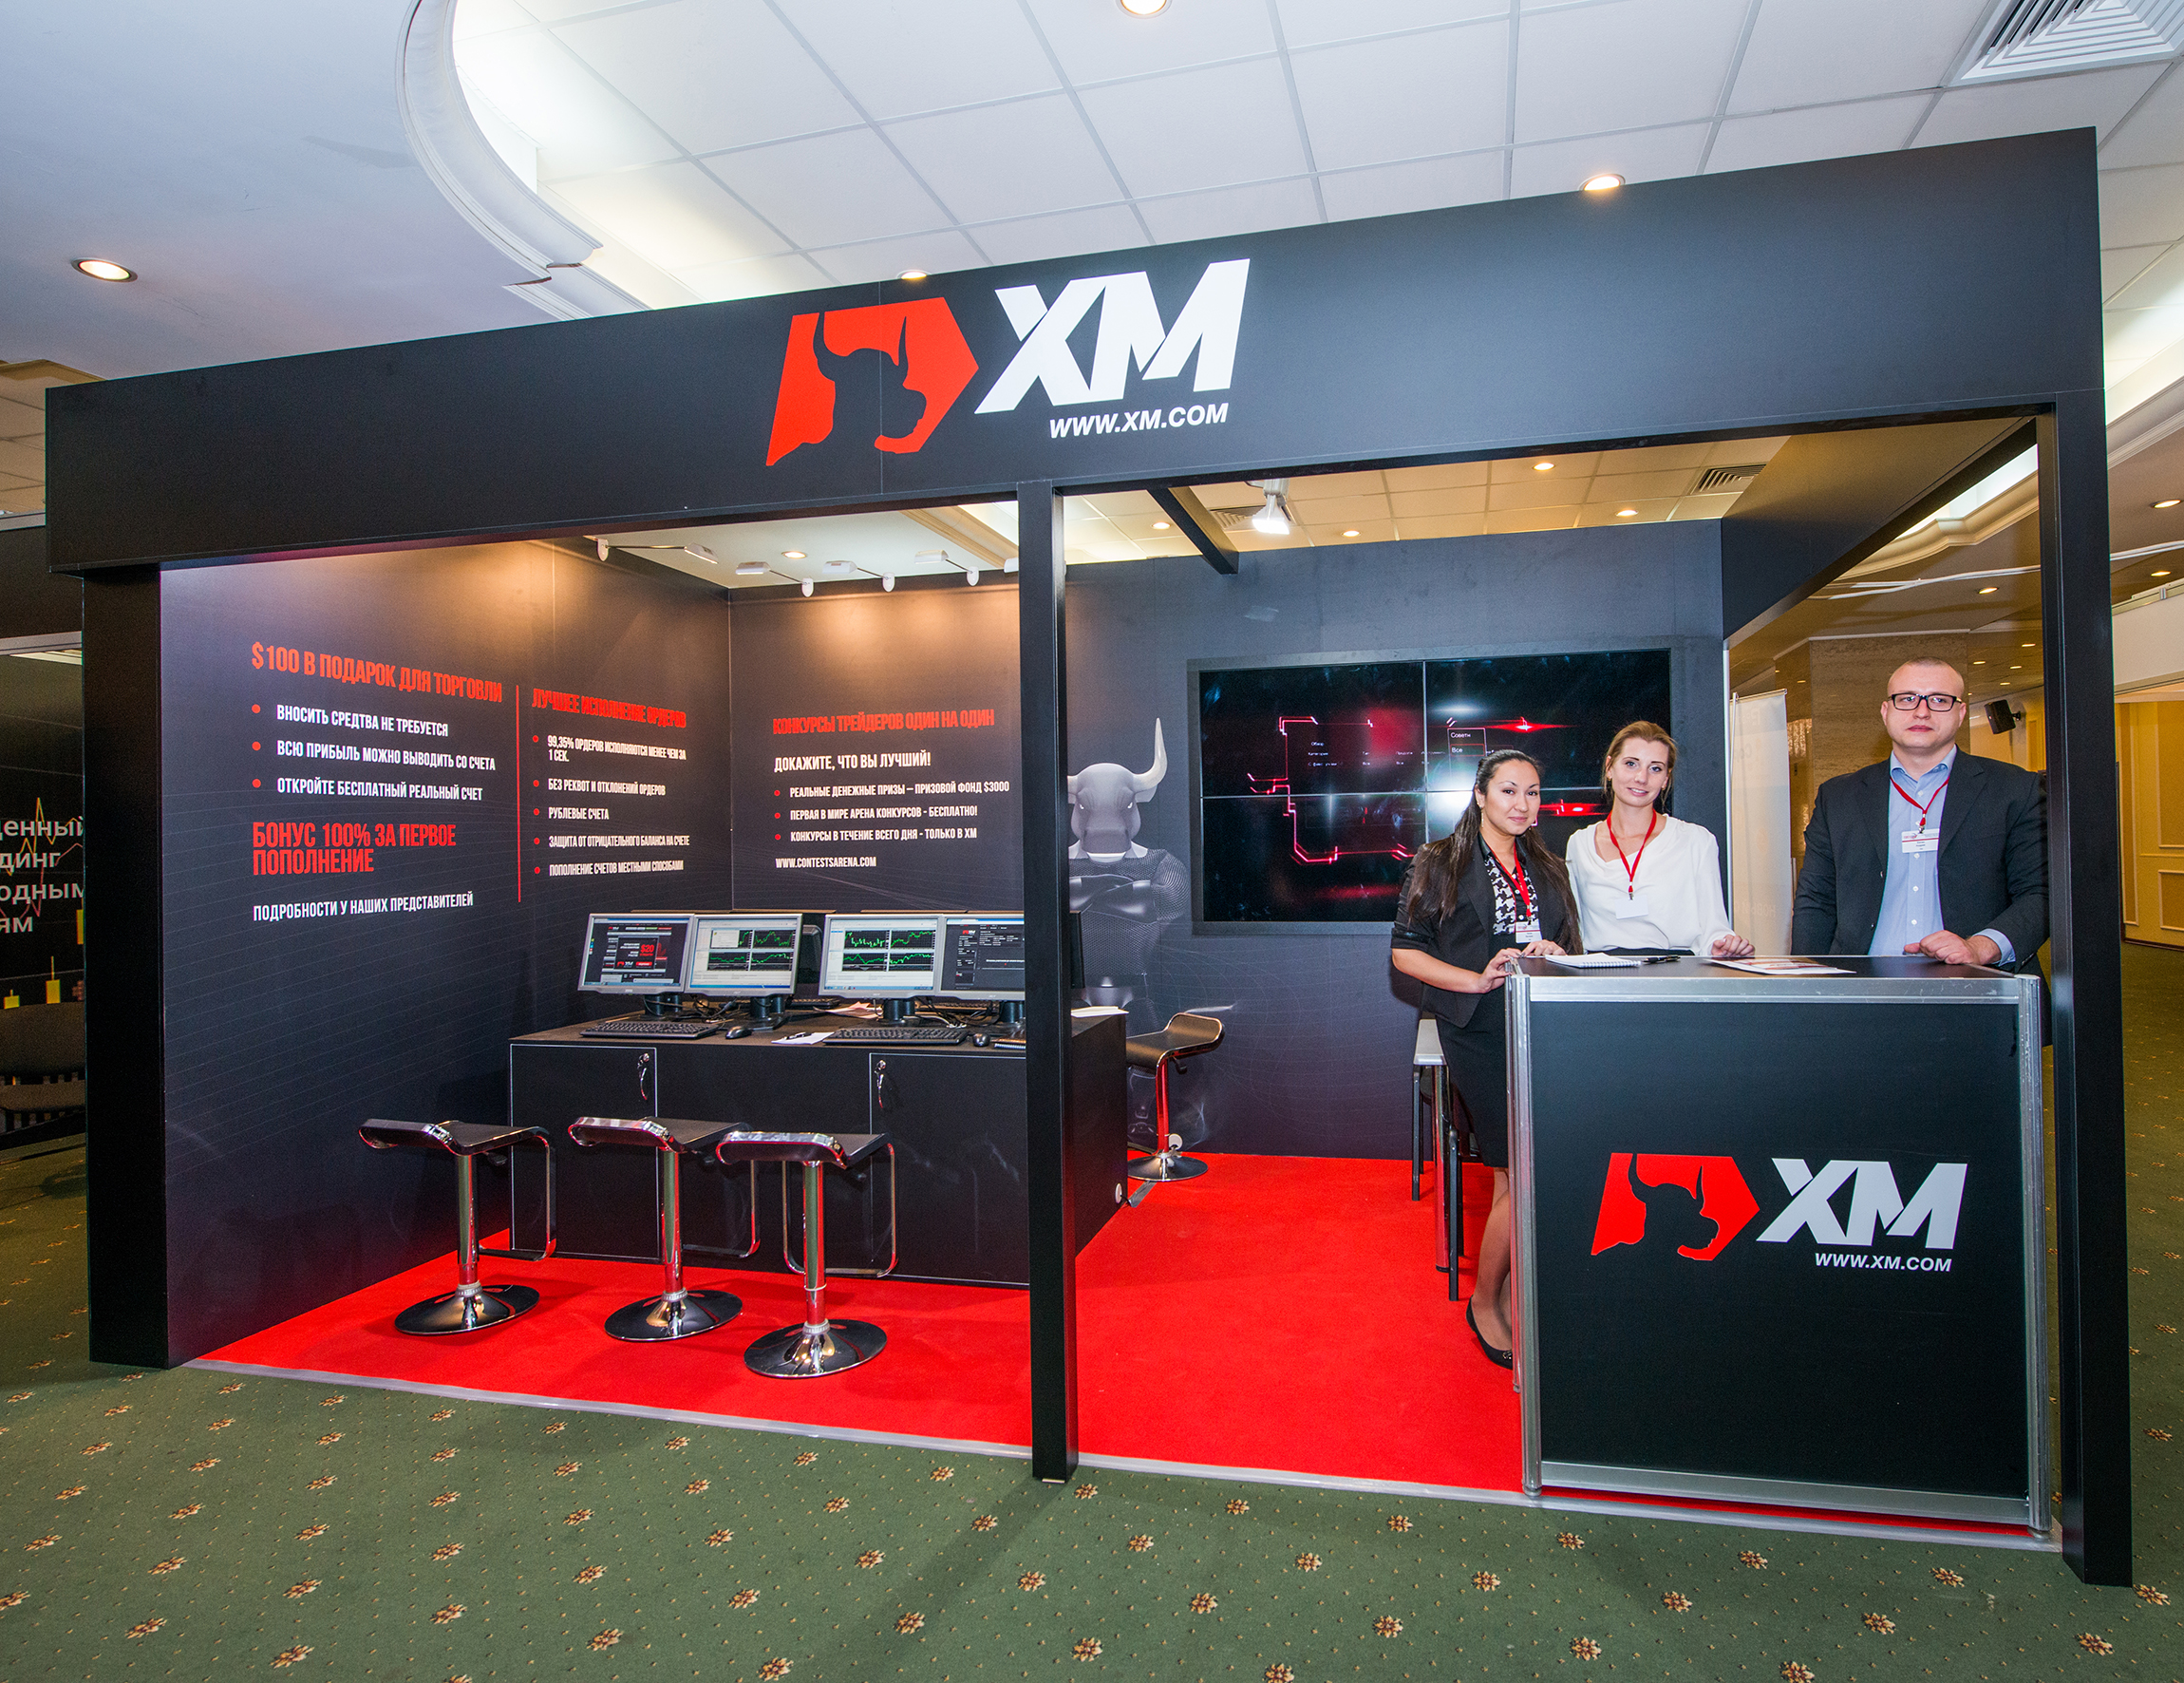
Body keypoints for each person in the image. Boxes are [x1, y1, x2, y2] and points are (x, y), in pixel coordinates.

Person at [1390, 749, 1577, 1371]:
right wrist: (1473, 979)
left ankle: (1511, 1292)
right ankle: (1484, 1300)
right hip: (1478, 1030)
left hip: (1541, 1024)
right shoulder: (1440, 861)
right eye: (1509, 790)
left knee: (1520, 1174)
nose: (1522, 803)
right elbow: (1405, 952)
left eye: (1533, 792)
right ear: (1480, 795)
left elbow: (1570, 943)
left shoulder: (1548, 866)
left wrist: (1553, 953)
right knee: (1517, 1171)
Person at [1791, 656, 2046, 972]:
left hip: (1976, 986)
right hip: (1862, 987)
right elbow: (1816, 901)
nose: (1922, 711)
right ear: (1886, 711)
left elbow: (2041, 892)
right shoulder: (1839, 797)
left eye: (1939, 700)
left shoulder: (2015, 789)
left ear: (1960, 713)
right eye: (1907, 698)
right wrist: (1807, 983)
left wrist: (1980, 947)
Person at [1564, 722, 1754, 958]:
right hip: (1601, 975)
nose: (1641, 778)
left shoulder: (1695, 841)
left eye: (1655, 768)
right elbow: (1575, 931)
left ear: (1666, 779)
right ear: (1610, 767)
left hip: (1676, 973)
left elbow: (1713, 929)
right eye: (1631, 764)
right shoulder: (1580, 844)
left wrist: (1723, 947)